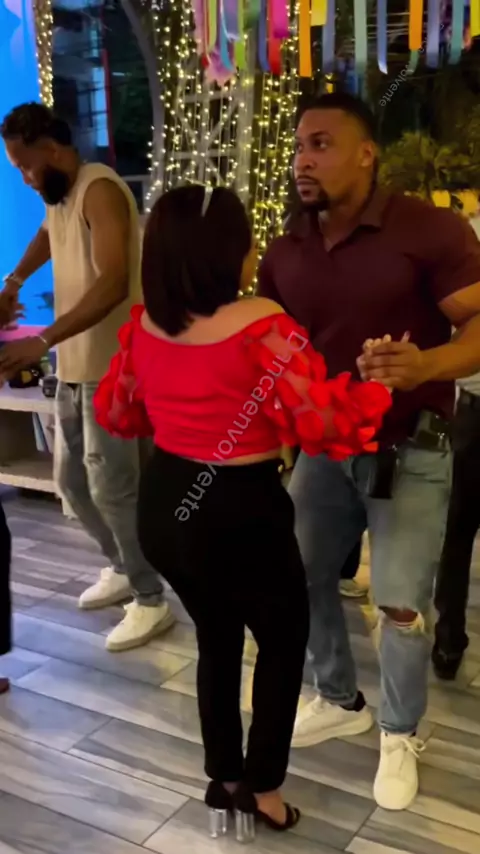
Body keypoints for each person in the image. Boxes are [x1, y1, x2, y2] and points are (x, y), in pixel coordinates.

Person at [93, 184, 391, 839]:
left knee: (217, 636)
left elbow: (118, 410)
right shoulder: (263, 325)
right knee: (282, 643)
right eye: (246, 239)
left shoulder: (143, 327)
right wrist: (374, 386)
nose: (255, 249)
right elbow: (324, 424)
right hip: (238, 505)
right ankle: (265, 790)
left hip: (167, 502)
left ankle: (225, 780)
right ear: (222, 252)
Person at [258, 91, 480, 811]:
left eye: (320, 144)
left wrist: (428, 366)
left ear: (366, 154)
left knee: (400, 606)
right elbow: (278, 345)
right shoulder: (287, 248)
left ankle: (399, 731)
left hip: (412, 449)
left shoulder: (428, 229)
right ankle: (337, 696)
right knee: (297, 574)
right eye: (299, 147)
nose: (303, 160)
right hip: (324, 451)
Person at [0, 102, 174, 652]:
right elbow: (49, 235)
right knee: (73, 485)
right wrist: (14, 280)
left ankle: (151, 598)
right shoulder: (61, 195)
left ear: (52, 151)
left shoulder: (98, 189)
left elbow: (114, 282)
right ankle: (123, 566)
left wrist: (42, 339)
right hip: (75, 368)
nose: (25, 179)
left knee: (113, 489)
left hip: (112, 369)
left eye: (26, 167)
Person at [432, 375, 480, 680]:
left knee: (456, 538)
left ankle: (448, 644)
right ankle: (448, 641)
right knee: (455, 536)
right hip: (472, 416)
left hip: (472, 412)